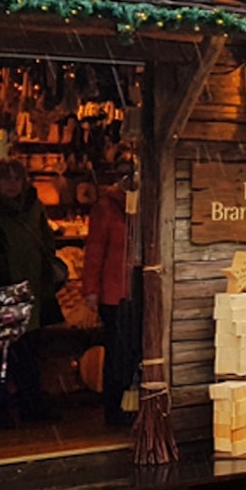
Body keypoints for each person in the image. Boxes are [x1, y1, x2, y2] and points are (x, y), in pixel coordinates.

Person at [0, 158, 60, 427]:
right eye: (6, 179)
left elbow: (46, 239)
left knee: (29, 352)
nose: (11, 185)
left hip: (31, 290)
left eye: (17, 179)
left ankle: (32, 406)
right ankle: (0, 409)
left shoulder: (34, 207)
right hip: (0, 291)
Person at [83, 163, 139, 427]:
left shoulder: (145, 207)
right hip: (114, 293)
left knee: (137, 350)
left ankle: (135, 403)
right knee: (118, 353)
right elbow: (94, 252)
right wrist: (91, 290)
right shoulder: (107, 208)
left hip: (141, 290)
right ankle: (114, 408)